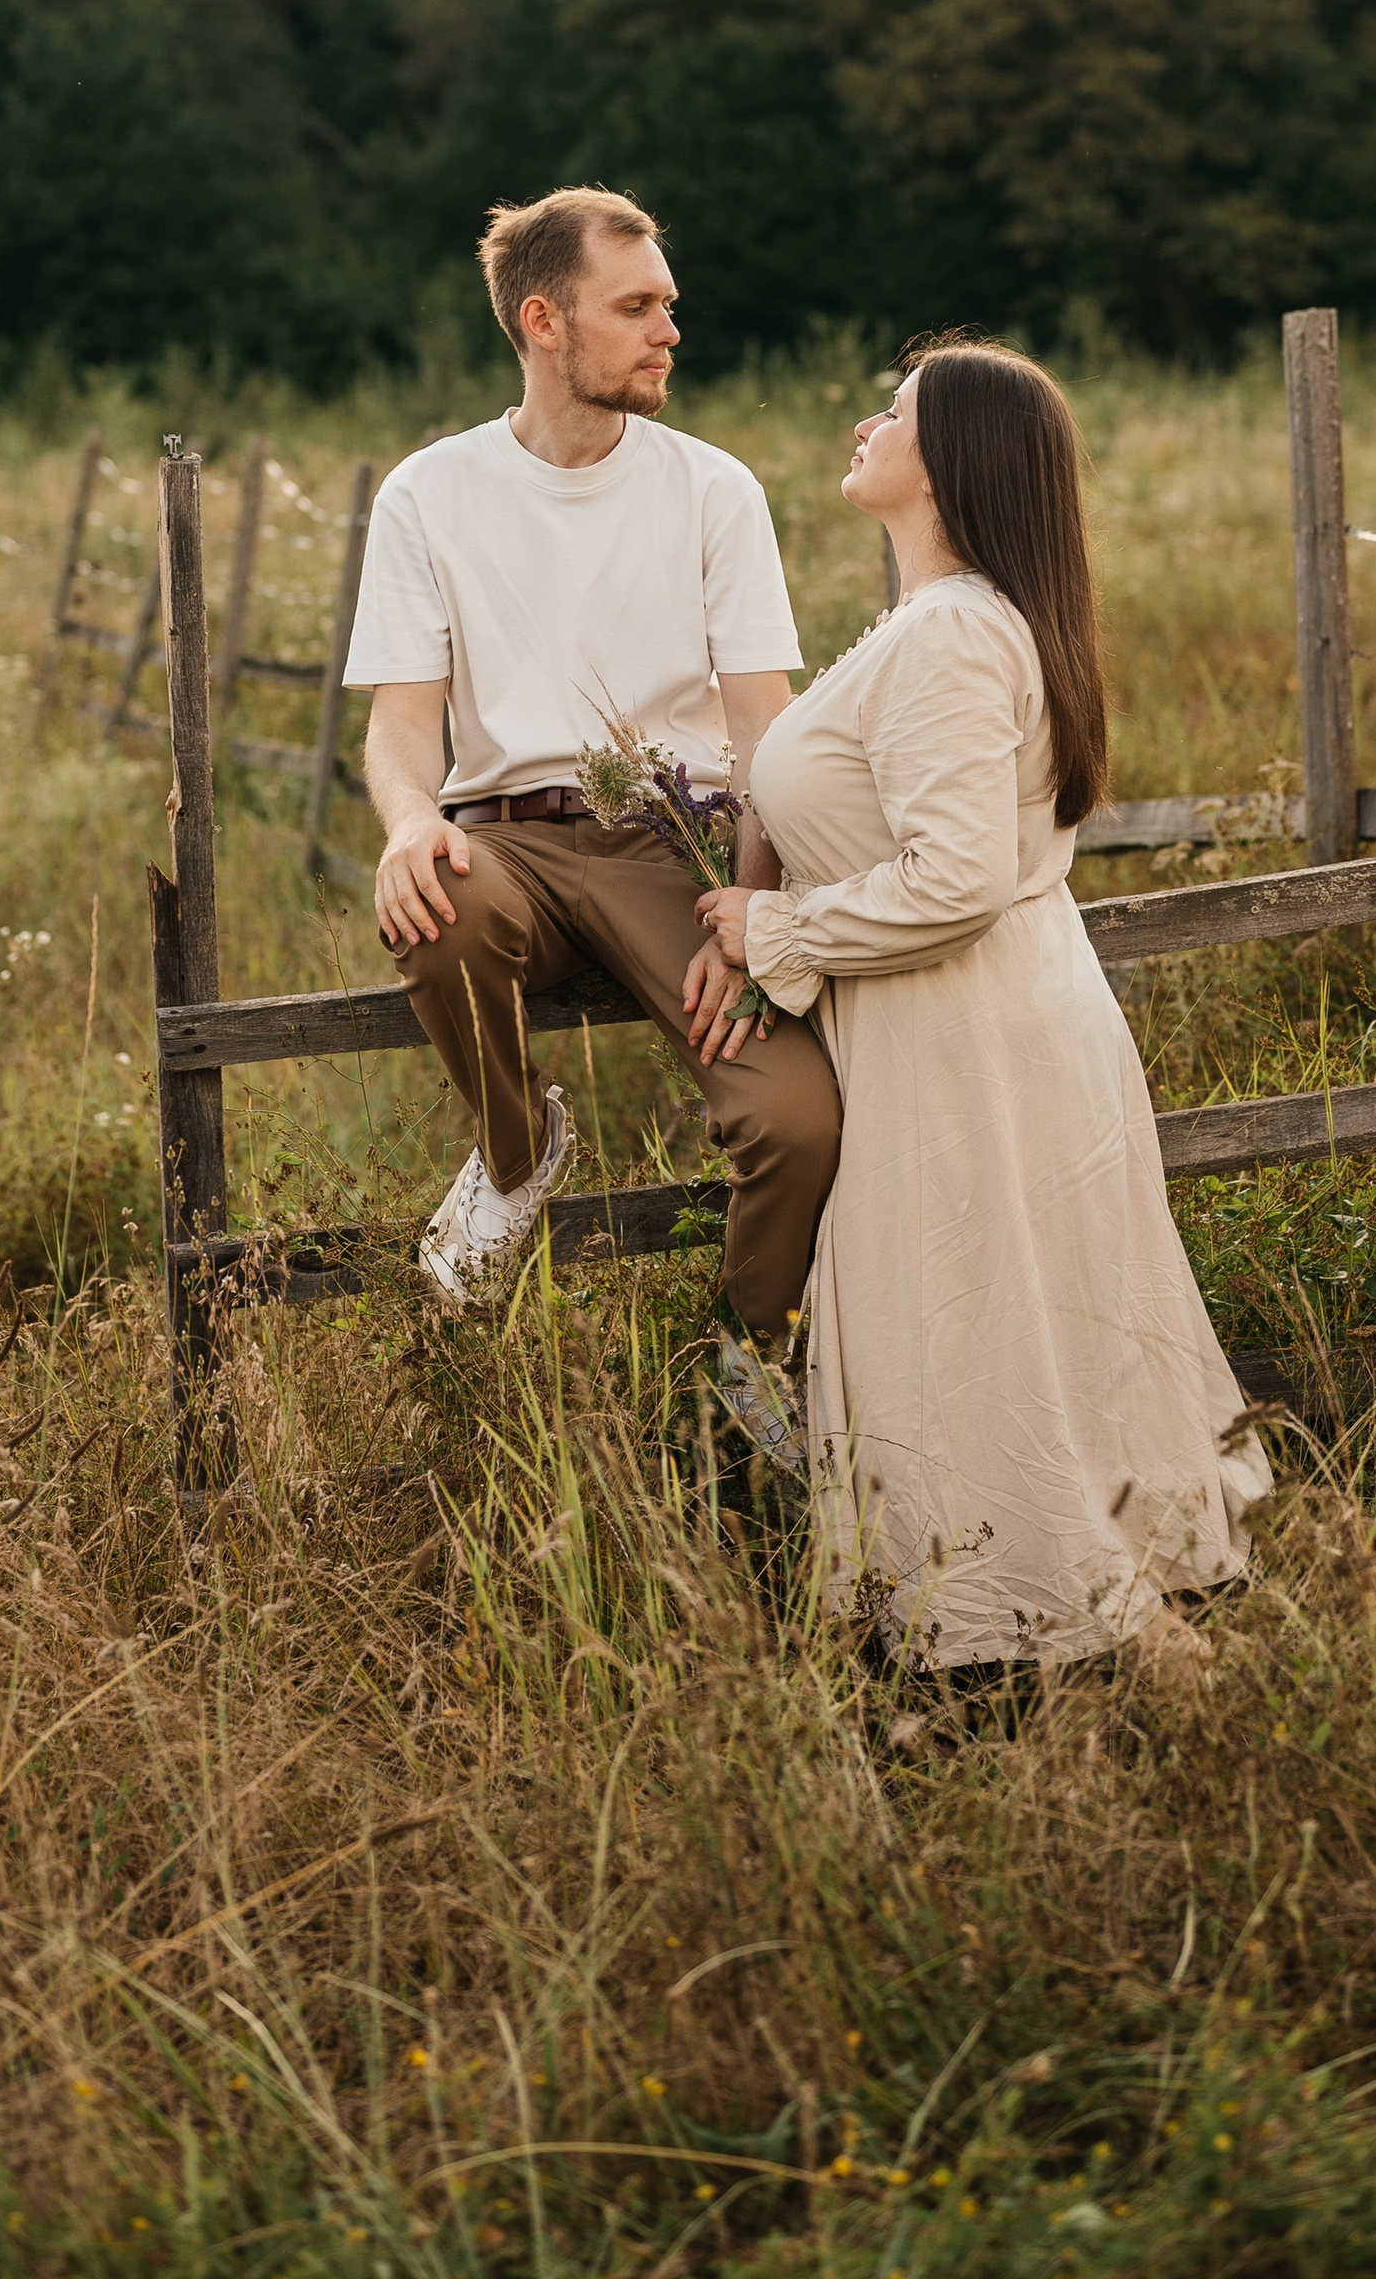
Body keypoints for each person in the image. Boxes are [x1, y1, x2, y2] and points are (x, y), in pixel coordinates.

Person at [690, 341, 1269, 1670]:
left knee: (977, 1323)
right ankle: (1055, 1630)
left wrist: (770, 926)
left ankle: (1035, 1636)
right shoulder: (944, 620)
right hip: (978, 1017)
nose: (861, 420)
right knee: (1006, 1318)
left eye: (892, 411)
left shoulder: (953, 632)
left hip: (960, 1028)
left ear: (952, 459)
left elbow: (953, 879)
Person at [347, 187, 839, 1417]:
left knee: (796, 1121)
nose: (670, 327)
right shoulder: (427, 492)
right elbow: (401, 728)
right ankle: (515, 1158)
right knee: (432, 893)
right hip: (505, 842)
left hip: (676, 847)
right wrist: (413, 821)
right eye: (637, 306)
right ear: (544, 319)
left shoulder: (714, 488)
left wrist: (755, 906)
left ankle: (748, 1378)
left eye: (668, 303)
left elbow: (762, 731)